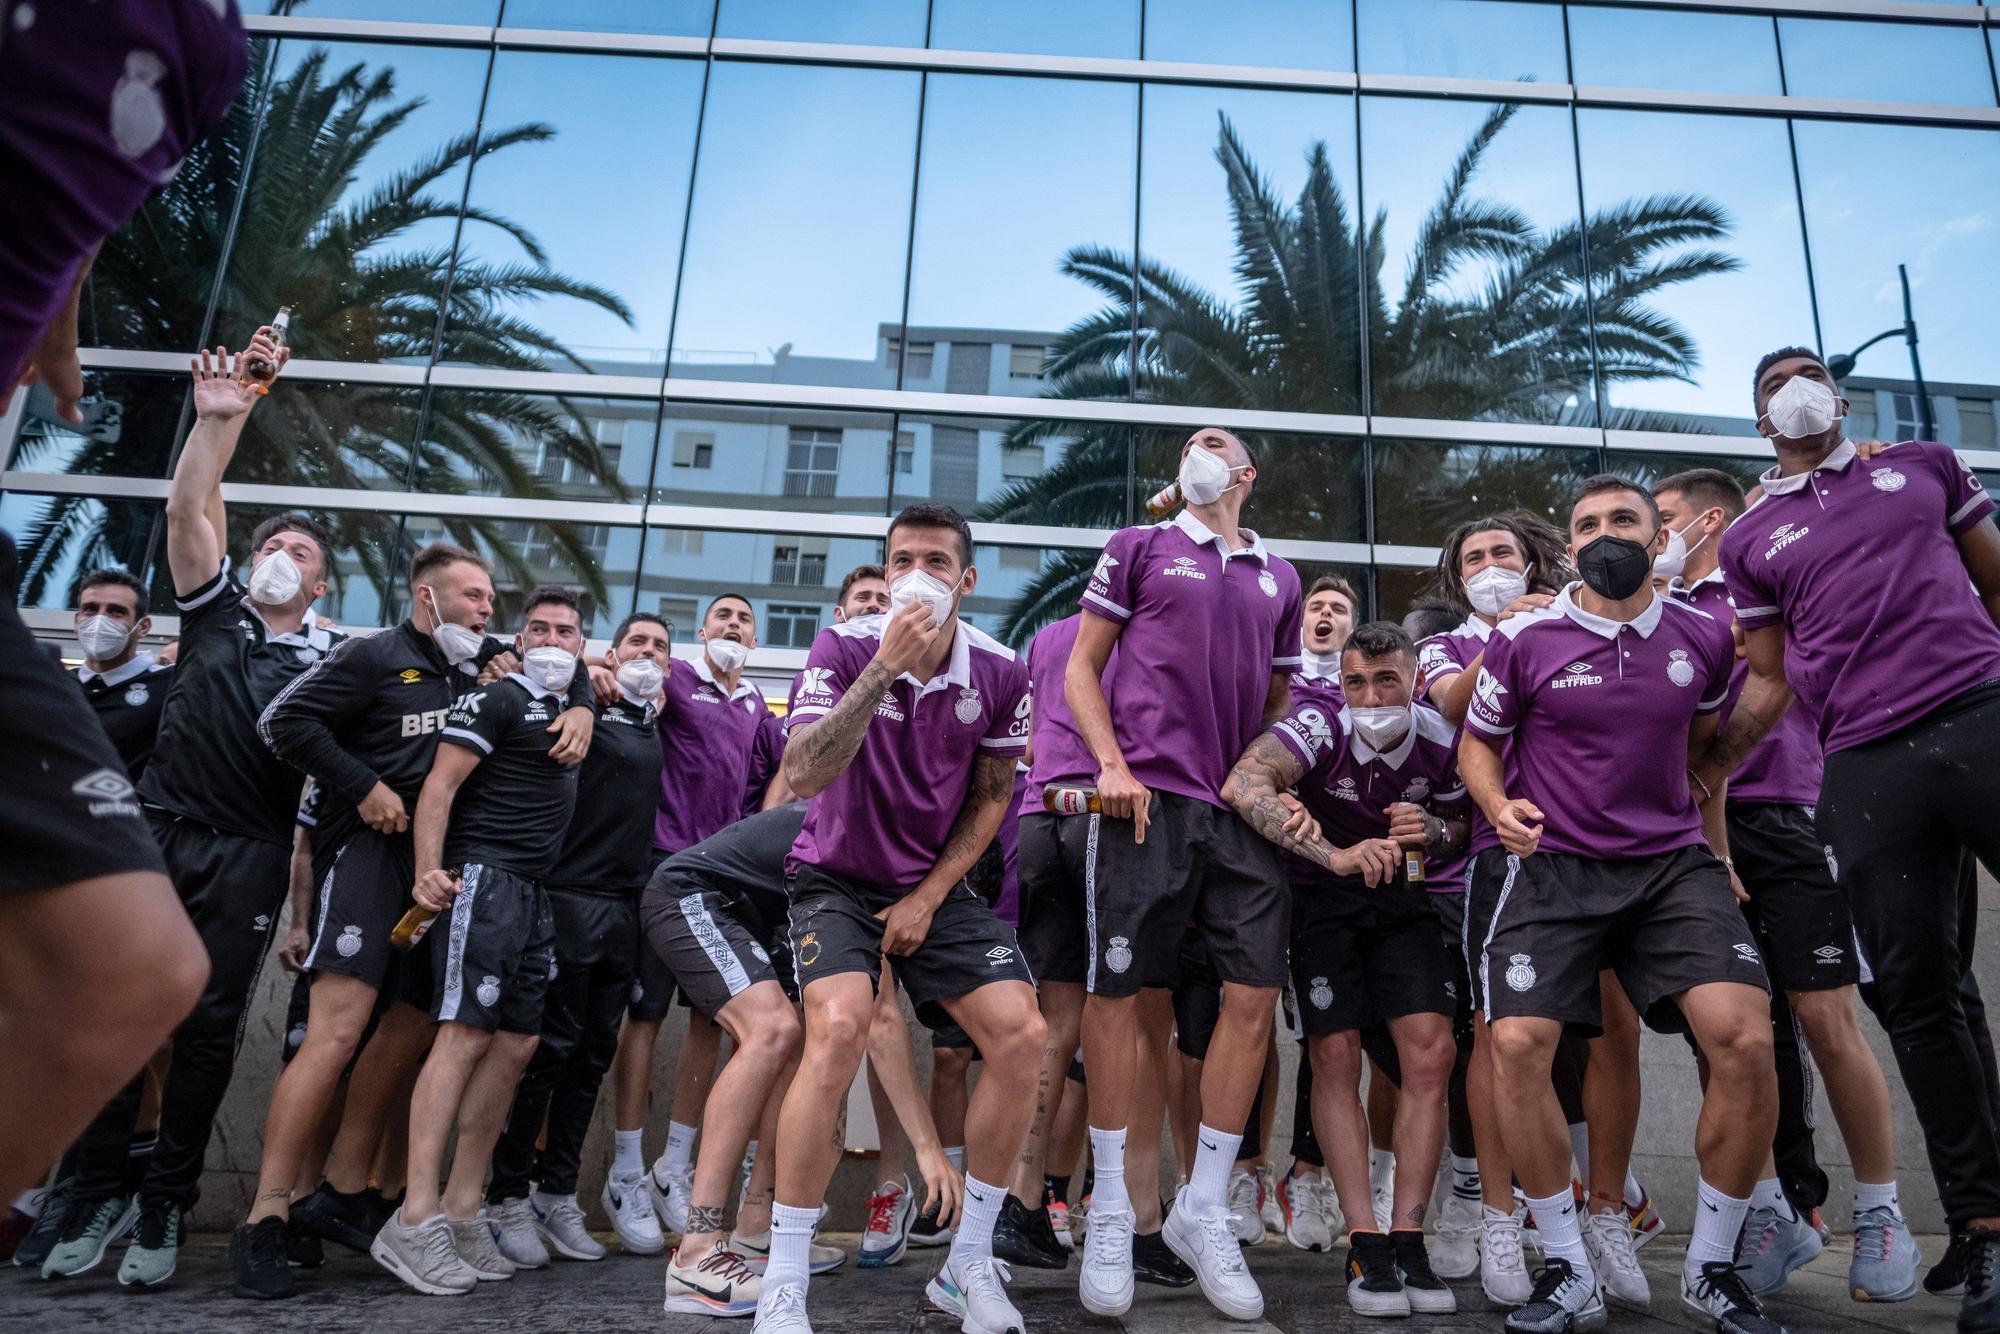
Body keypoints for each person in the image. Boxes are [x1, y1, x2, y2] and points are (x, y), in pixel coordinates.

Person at [1693, 347, 2000, 1334]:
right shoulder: (1748, 537)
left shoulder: (1919, 466)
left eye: (1808, 371)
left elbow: (1993, 580)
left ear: (1836, 396)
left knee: (1937, 989)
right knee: (1916, 991)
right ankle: (1983, 1225)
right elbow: (1771, 670)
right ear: (1758, 422)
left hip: (1981, 714)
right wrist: (1711, 768)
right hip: (1864, 767)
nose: (1795, 385)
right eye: (1773, 379)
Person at [42, 337, 349, 1291]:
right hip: (156, 831)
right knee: (118, 1012)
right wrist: (221, 419)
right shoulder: (214, 614)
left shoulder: (332, 666)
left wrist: (304, 908)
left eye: (299, 552)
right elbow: (186, 507)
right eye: (269, 544)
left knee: (208, 1026)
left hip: (251, 855)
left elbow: (327, 790)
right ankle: (97, 1189)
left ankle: (167, 1201)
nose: (278, 558)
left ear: (321, 583)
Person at [1461, 475, 1781, 1334]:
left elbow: (1706, 745)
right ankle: (1566, 1268)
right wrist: (1498, 809)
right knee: (1519, 1044)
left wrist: (1716, 853)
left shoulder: (1704, 636)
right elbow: (1476, 748)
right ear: (1570, 545)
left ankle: (1713, 1271)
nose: (1607, 534)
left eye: (1624, 520)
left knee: (1746, 1041)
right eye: (1589, 523)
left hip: (1670, 869)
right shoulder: (1526, 639)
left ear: (1656, 537)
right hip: (1554, 868)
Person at [240, 544, 593, 1296]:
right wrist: (362, 784)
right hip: (371, 856)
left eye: (490, 599)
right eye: (471, 597)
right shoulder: (374, 655)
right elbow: (283, 721)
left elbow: (560, 652)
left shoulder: (484, 663)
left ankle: (341, 1193)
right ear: (426, 598)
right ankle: (267, 1214)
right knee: (336, 1032)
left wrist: (588, 704)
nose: (485, 611)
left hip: (444, 871)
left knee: (408, 1029)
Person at [755, 503, 1044, 1334]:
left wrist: (927, 896)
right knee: (840, 1027)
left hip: (933, 885)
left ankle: (966, 1265)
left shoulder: (1000, 670)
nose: (916, 575)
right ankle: (783, 1279)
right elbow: (803, 773)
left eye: (937, 561)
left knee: (1022, 1034)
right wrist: (882, 669)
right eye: (901, 560)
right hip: (832, 877)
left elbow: (992, 802)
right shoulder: (843, 647)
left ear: (967, 579)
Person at [1654, 467, 1915, 1302]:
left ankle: (1882, 1211)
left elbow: (1794, 672)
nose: (1652, 535)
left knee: (1824, 1013)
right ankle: (1768, 1209)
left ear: (1710, 520)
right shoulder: (1654, 608)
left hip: (1791, 818)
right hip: (1693, 832)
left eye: (1662, 520)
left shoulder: (1767, 579)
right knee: (1723, 1031)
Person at [1067, 427, 1303, 1323]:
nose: (1196, 449)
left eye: (1216, 442)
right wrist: (1110, 764)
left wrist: (1260, 780)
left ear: (1247, 473)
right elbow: (1084, 669)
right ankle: (1114, 1208)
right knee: (1118, 996)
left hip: (1235, 815)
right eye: (1188, 442)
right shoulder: (1138, 547)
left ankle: (1203, 1206)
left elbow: (1279, 702)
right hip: (1143, 803)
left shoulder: (1279, 576)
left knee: (1250, 997)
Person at [1226, 620, 1464, 1317]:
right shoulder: (1319, 724)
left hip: (1406, 904)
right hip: (1323, 903)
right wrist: (1333, 853)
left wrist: (1438, 833)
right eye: (1357, 680)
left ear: (1416, 680)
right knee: (1335, 1053)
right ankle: (1366, 1242)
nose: (1370, 694)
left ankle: (1409, 1237)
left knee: (1433, 1055)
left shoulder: (1443, 736)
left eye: (1387, 679)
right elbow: (1243, 784)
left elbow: (1469, 825)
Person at [369, 588, 586, 1295]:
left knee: (517, 1045)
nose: (553, 641)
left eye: (568, 632)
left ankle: (465, 1209)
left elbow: (601, 673)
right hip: (484, 882)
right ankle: (415, 1217)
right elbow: (439, 787)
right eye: (541, 630)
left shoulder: (570, 705)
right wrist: (428, 872)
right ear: (520, 640)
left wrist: (583, 696)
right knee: (462, 1036)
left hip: (535, 893)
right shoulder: (494, 699)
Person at [486, 613, 670, 1267]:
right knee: (547, 1052)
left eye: (660, 646)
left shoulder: (658, 719)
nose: (648, 653)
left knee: (593, 1055)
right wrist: (589, 685)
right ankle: (504, 1196)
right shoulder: (582, 699)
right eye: (637, 643)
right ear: (611, 655)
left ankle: (556, 1193)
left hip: (626, 908)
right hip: (565, 897)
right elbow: (513, 662)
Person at [610, 593, 775, 1244]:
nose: (733, 625)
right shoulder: (674, 678)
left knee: (711, 1019)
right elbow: (627, 680)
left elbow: (769, 783)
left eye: (744, 620)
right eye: (723, 617)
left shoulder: (759, 705)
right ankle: (624, 1170)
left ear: (755, 641)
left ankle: (671, 1168)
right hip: (661, 867)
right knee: (645, 1016)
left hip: (723, 877)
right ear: (703, 633)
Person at [70, 568, 174, 781]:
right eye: (90, 609)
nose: (100, 621)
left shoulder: (169, 685)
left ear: (143, 626)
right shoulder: (57, 685)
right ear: (77, 620)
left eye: (116, 611)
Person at [1292, 575, 1358, 707]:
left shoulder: (1365, 687)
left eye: (1338, 610)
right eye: (1315, 608)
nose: (1326, 611)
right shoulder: (1274, 680)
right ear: (1302, 627)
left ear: (1351, 631)